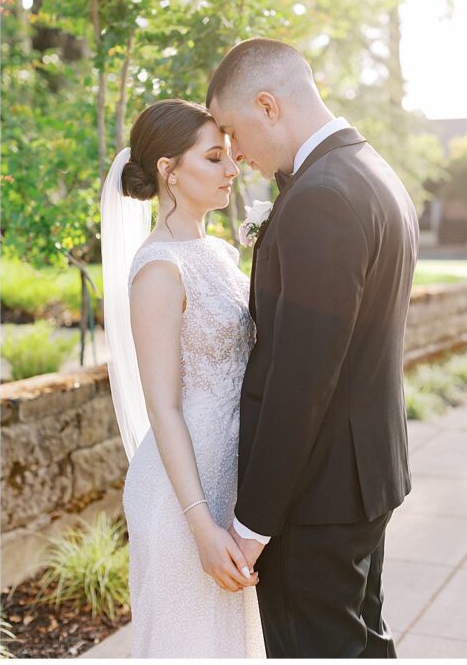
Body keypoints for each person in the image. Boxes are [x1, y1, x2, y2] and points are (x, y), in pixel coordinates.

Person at [207, 37, 418, 657]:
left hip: (316, 495)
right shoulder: (373, 172)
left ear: (268, 105)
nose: (234, 152)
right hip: (361, 480)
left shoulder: (320, 198)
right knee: (359, 645)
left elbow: (301, 382)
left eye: (231, 129)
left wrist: (252, 525)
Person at [100, 99, 264, 657]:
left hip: (233, 480)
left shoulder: (218, 252)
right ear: (170, 170)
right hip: (181, 499)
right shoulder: (158, 269)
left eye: (229, 155)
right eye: (215, 158)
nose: (233, 169)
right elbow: (162, 406)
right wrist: (201, 527)